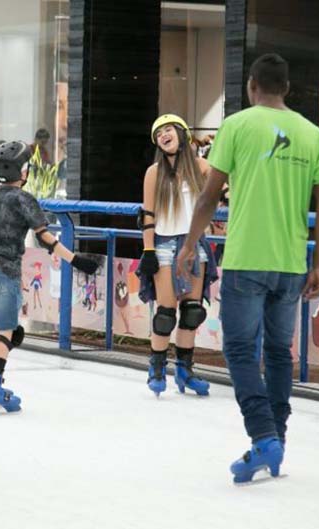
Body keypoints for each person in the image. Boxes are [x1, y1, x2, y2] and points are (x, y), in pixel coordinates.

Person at [175, 53, 319, 483]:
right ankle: (274, 441)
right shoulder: (312, 134)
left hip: (247, 259)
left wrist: (189, 245)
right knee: (279, 353)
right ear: (287, 88)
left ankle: (264, 436)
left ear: (252, 86)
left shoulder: (237, 125)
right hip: (290, 264)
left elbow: (209, 196)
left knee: (242, 351)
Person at [0, 140, 98, 414]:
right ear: (23, 171)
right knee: (6, 331)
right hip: (5, 271)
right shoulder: (26, 200)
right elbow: (46, 238)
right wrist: (76, 260)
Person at [136, 114, 218, 398]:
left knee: (192, 311)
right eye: (159, 134)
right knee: (165, 314)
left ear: (182, 133)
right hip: (164, 244)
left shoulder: (201, 167)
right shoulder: (154, 173)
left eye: (168, 130)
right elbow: (147, 214)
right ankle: (157, 369)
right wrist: (148, 251)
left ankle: (185, 370)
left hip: (194, 244)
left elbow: (227, 187)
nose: (164, 136)